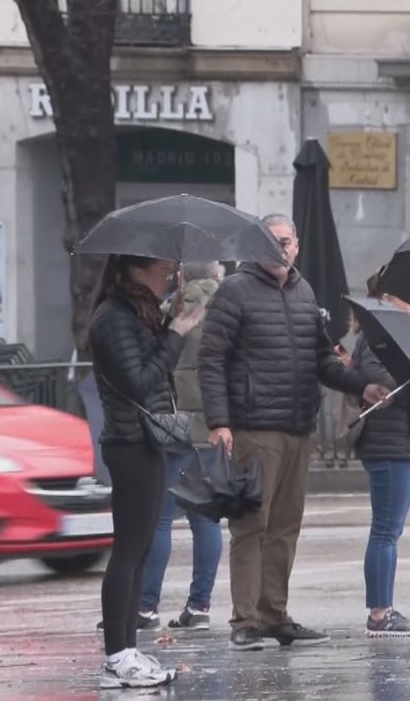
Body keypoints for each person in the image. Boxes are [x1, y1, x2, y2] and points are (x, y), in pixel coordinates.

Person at [198, 214, 389, 652]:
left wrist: (363, 385)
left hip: (298, 428)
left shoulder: (304, 292)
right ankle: (245, 620)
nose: (280, 248)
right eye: (272, 241)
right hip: (253, 427)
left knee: (285, 526)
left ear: (297, 246)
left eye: (286, 241)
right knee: (251, 525)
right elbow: (212, 360)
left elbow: (322, 360)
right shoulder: (235, 291)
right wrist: (219, 422)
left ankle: (273, 615)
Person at [88, 254, 204, 688]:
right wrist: (174, 335)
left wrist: (168, 324)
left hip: (146, 439)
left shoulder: (135, 312)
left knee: (139, 552)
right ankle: (117, 655)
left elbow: (152, 372)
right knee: (129, 550)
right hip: (129, 442)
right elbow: (139, 382)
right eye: (162, 266)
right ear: (135, 268)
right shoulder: (113, 317)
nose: (171, 273)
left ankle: (128, 650)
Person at [349, 268, 410, 637]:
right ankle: (379, 613)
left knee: (391, 529)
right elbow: (379, 379)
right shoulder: (379, 337)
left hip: (407, 441)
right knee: (385, 530)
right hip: (388, 442)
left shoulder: (408, 335)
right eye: (408, 293)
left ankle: (382, 609)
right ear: (388, 299)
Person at [137, 261, 226, 632]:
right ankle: (200, 605)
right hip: (213, 427)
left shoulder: (168, 311)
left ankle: (145, 607)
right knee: (206, 520)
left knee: (160, 520)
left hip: (173, 428)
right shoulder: (229, 310)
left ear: (182, 276)